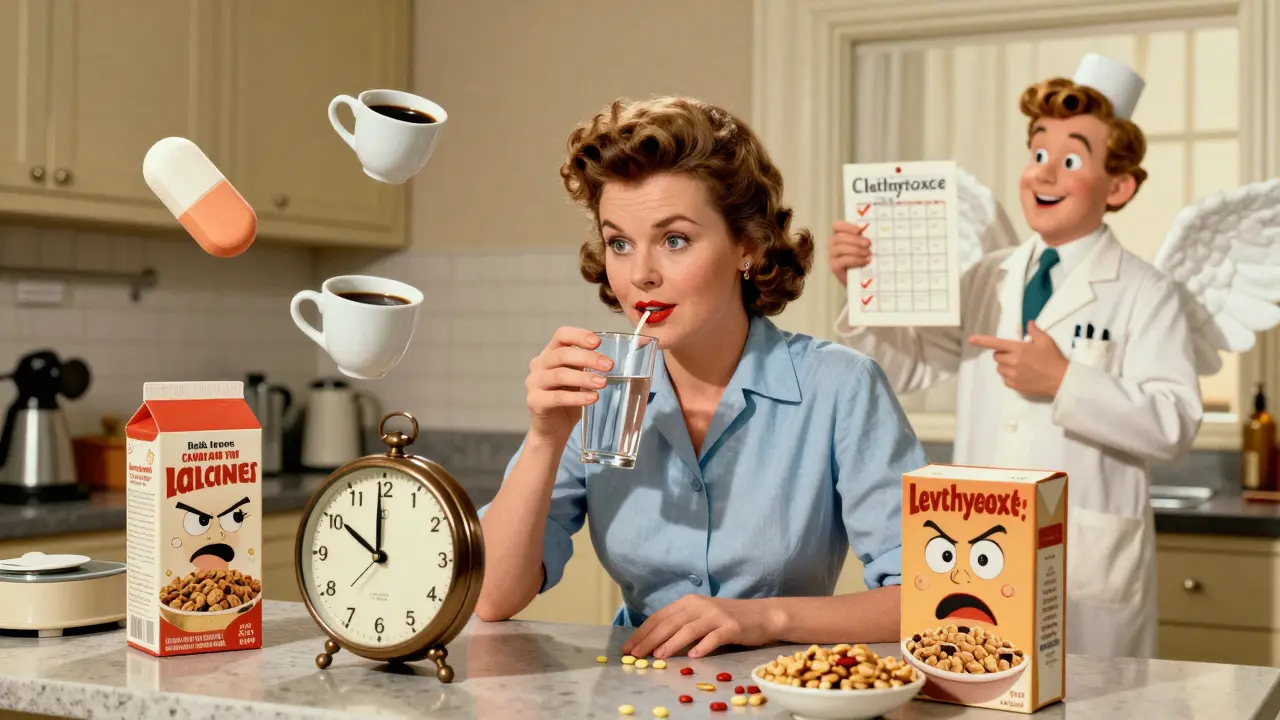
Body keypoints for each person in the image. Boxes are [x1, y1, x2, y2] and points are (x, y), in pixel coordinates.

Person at [473, 96, 929, 659]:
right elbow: (491, 597)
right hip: (635, 695)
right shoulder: (600, 388)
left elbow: (931, 598)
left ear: (748, 245)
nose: (641, 273)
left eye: (675, 240)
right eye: (619, 242)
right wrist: (546, 437)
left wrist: (764, 617)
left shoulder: (840, 387)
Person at [828, 54, 1203, 659]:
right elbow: (909, 366)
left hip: (1086, 562)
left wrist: (1064, 382)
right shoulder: (988, 277)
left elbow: (1175, 422)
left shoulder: (1145, 291)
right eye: (1036, 154)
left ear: (1119, 185)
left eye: (1071, 159)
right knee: (980, 684)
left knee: (1088, 701)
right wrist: (864, 292)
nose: (1044, 173)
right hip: (980, 542)